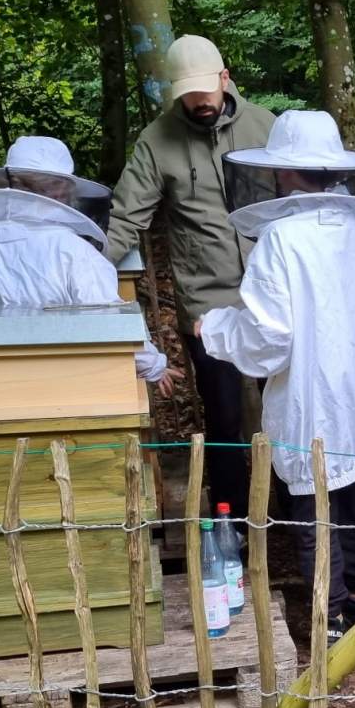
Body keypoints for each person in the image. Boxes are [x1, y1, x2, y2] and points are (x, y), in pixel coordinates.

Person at [197, 110, 355, 637]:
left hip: (310, 391)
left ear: (283, 173)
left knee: (312, 504)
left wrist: (214, 329)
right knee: (353, 493)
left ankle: (325, 618)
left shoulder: (281, 240)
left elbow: (267, 339)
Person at [106, 35, 276, 519]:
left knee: (286, 407)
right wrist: (88, 268)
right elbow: (125, 217)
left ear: (225, 79)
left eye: (207, 90)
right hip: (207, 304)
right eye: (189, 94)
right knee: (223, 418)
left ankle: (293, 511)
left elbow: (303, 198)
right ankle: (231, 518)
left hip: (274, 296)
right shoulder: (158, 140)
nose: (200, 102)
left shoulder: (267, 126)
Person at [0, 135, 174, 391]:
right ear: (62, 188)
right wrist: (154, 366)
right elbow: (108, 326)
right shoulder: (74, 252)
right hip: (71, 388)